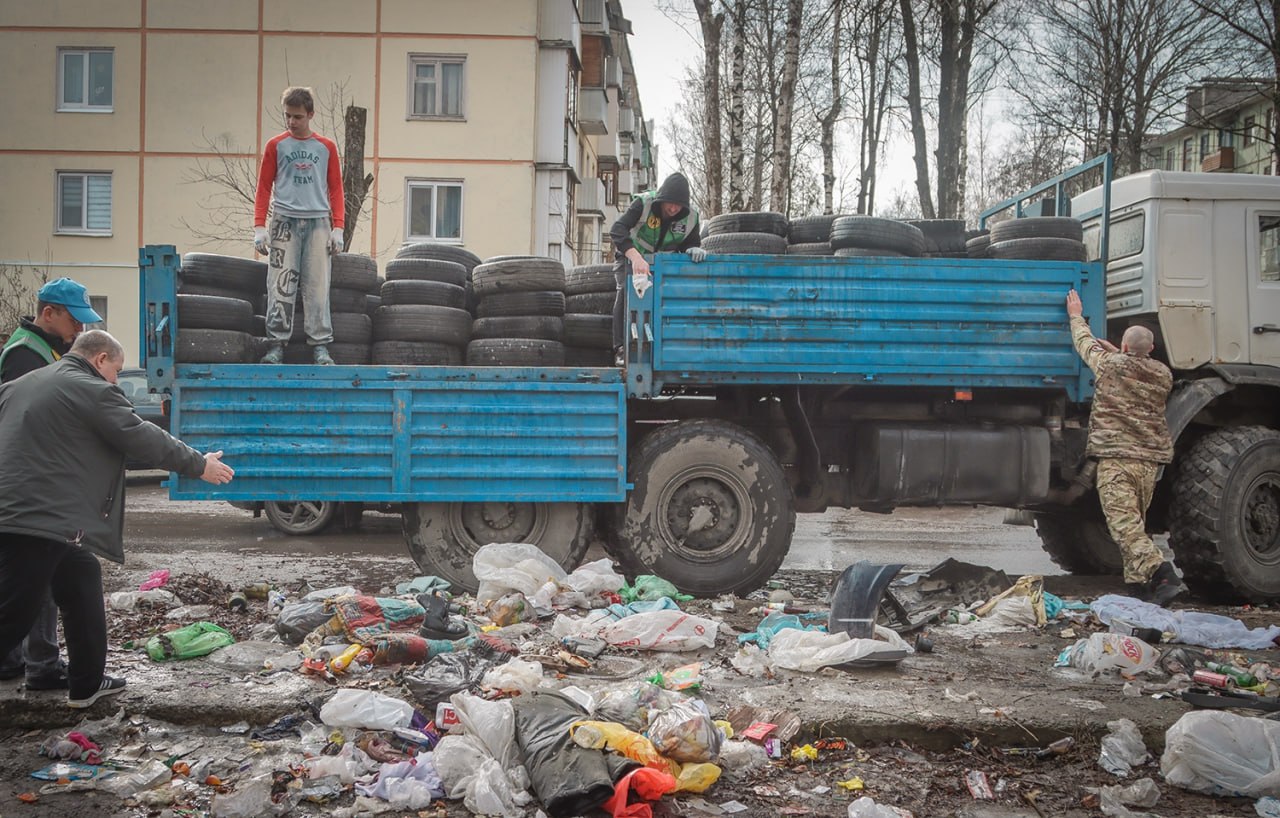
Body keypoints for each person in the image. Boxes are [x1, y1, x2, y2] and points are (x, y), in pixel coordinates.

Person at [0, 330, 234, 708]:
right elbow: (141, 436)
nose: (116, 379)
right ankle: (85, 682)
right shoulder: (91, 389)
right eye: (117, 369)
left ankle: (87, 684)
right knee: (13, 612)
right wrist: (198, 464)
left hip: (33, 513)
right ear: (100, 359)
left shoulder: (19, 385)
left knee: (81, 574)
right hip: (38, 516)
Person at [0, 277, 103, 690]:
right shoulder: (25, 356)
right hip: (32, 493)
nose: (78, 329)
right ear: (49, 313)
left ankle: (29, 663)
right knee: (28, 590)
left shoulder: (46, 349)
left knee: (46, 578)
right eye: (74, 320)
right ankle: (40, 666)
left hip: (35, 490)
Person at [1066, 289, 1183, 605]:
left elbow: (1084, 344)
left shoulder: (1109, 365)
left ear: (1126, 346)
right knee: (1135, 525)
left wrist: (1076, 315)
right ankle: (1140, 589)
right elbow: (1134, 367)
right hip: (1147, 462)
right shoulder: (1163, 374)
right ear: (1152, 348)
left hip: (1118, 459)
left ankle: (1162, 573)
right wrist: (1121, 352)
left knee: (1123, 527)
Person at [253, 85, 346, 366]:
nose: (292, 122)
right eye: (288, 116)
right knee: (281, 284)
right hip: (284, 220)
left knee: (317, 285)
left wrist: (338, 227)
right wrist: (259, 226)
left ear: (310, 115)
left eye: (297, 117)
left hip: (318, 221)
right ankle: (276, 345)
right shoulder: (276, 145)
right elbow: (264, 187)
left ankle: (319, 346)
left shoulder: (326, 147)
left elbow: (336, 188)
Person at [608, 172, 704, 366]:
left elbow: (691, 242)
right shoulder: (643, 204)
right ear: (661, 199)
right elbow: (617, 229)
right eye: (670, 203)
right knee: (627, 293)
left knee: (664, 300)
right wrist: (635, 257)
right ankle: (620, 348)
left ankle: (660, 348)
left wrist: (694, 248)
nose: (674, 208)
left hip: (661, 263)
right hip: (630, 256)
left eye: (679, 205)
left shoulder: (691, 217)